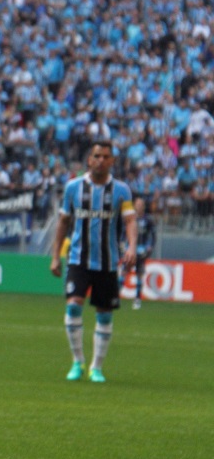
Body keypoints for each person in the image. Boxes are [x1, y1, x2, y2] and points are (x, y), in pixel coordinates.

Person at [51, 141, 137, 383]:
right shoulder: (73, 188)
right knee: (74, 304)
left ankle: (96, 366)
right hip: (78, 259)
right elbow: (63, 222)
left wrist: (131, 247)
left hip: (108, 262)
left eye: (106, 156)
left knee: (105, 313)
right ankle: (77, 361)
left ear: (112, 161)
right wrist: (56, 256)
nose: (100, 160)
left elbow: (130, 221)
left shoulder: (122, 191)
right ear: (89, 160)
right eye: (97, 155)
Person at [131, 197, 154, 309]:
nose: (139, 206)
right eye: (138, 204)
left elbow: (152, 236)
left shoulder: (148, 220)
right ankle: (116, 296)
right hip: (130, 249)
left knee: (139, 274)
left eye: (141, 204)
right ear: (134, 205)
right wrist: (122, 244)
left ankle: (137, 298)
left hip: (141, 250)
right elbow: (123, 232)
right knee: (123, 273)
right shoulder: (130, 218)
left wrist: (149, 248)